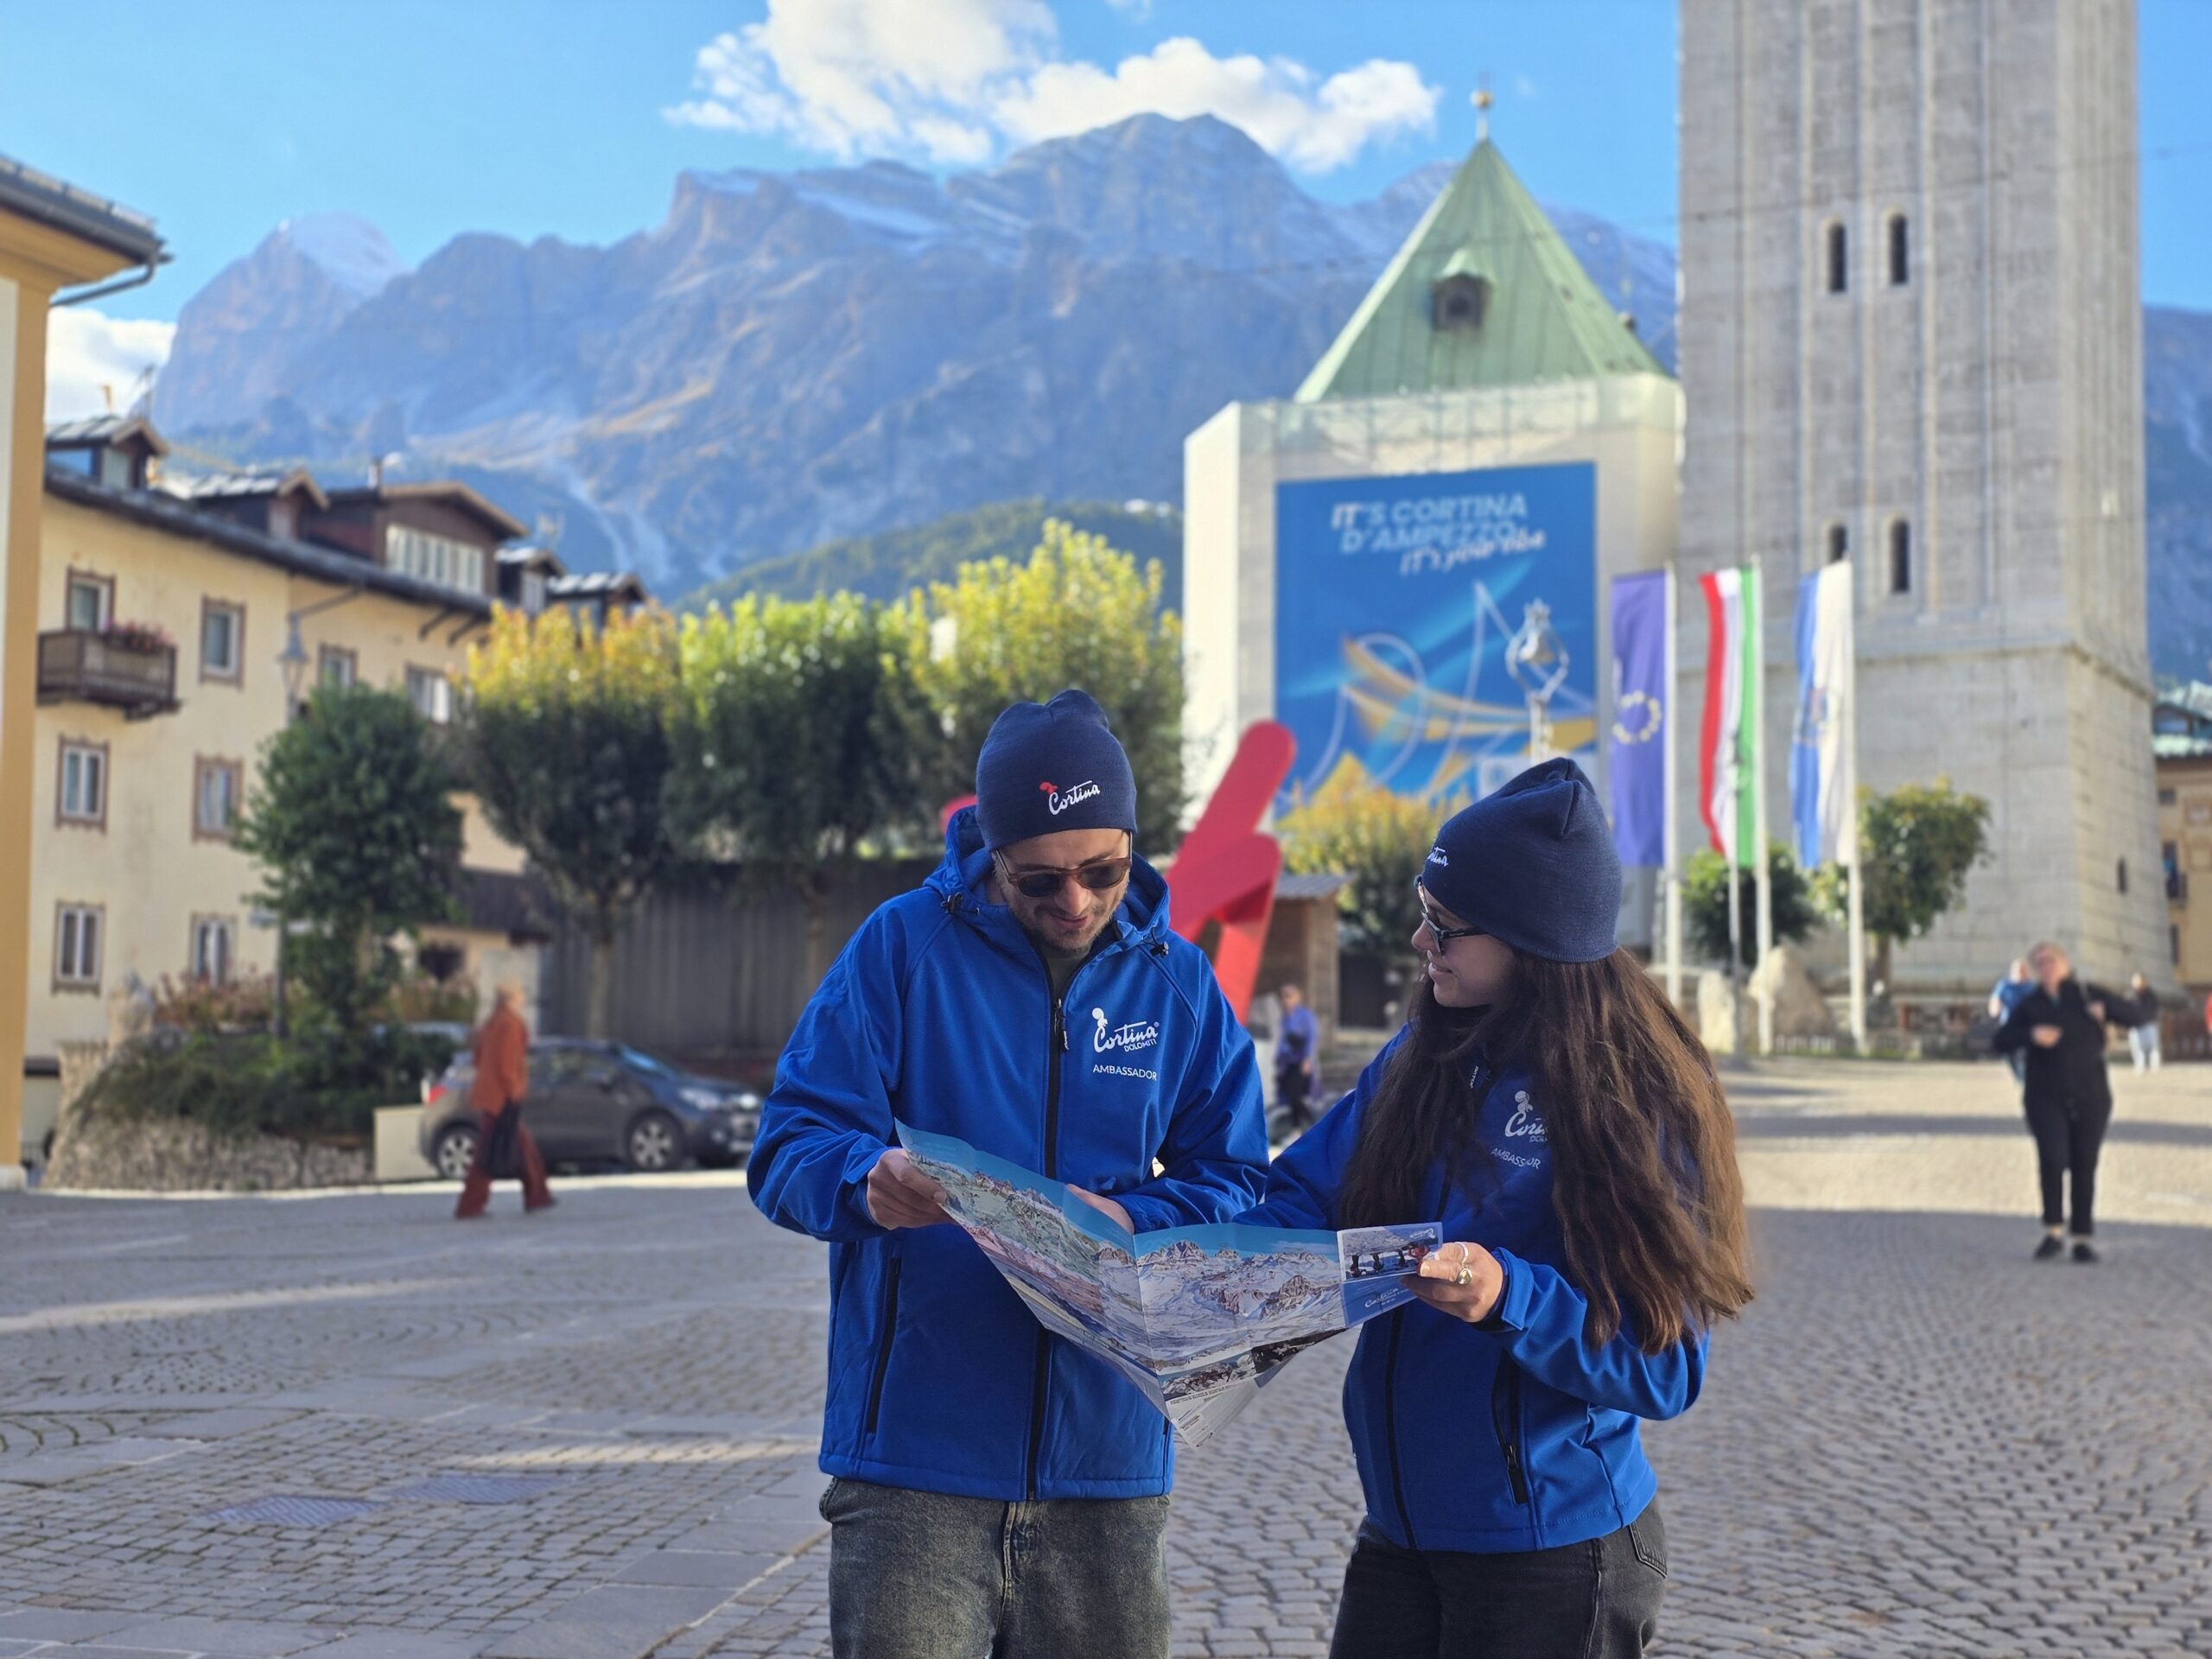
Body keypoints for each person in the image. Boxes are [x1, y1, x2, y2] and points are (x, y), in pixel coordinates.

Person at [747, 688, 1269, 1659]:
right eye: (1038, 880)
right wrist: (866, 1180)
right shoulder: (902, 949)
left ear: (1131, 843)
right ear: (992, 853)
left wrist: (1129, 1215)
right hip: (916, 1466)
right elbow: (787, 1144)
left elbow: (1236, 1177)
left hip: (1107, 1464)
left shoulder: (1178, 983)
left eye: (1102, 870)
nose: (1072, 902)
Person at [1234, 759, 1752, 1659]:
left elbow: (1665, 1367)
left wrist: (1509, 1296)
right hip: (1402, 1535)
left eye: (1445, 925)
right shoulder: (1420, 1056)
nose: (1417, 938)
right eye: (1424, 910)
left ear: (1532, 940)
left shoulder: (1634, 1098)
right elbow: (1301, 1196)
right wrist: (1168, 1250)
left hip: (1553, 1556)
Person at [1993, 942, 2137, 1263]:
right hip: (2044, 1096)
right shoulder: (2030, 1005)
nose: (2047, 967)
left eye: (2052, 960)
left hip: (2091, 1095)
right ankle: (2054, 1230)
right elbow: (1999, 1040)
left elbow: (2138, 1016)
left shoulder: (2087, 995)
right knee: (2053, 1158)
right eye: (2040, 962)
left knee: (2085, 1162)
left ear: (2066, 963)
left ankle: (2082, 1237)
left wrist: (2109, 1012)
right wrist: (2031, 1034)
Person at [454, 982, 554, 1220]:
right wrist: (515, 1092)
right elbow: (508, 1065)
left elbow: (479, 1059)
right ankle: (471, 1205)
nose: (523, 997)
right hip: (502, 1097)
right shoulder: (510, 1024)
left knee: (518, 1146)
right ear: (513, 997)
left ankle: (537, 1195)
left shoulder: (491, 1023)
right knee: (490, 1152)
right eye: (520, 993)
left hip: (490, 1095)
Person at [1274, 982, 1319, 1134]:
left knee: (1297, 1095)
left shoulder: (1305, 1016)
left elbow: (1311, 1038)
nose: (1286, 1000)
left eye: (1289, 996)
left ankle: (1305, 1125)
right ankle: (1298, 1125)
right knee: (1289, 1095)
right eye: (1283, 996)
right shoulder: (1285, 1017)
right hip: (1288, 1061)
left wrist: (1307, 1060)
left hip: (1300, 1060)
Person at [1988, 958, 2035, 1084]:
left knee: (2025, 1053)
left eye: (2023, 970)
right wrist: (1995, 1009)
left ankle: (2024, 1076)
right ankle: (2018, 1075)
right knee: (2009, 1053)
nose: (2021, 973)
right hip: (2008, 1025)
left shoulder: (2032, 987)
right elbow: (1996, 999)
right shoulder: (2004, 985)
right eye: (2018, 970)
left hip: (2026, 1025)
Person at [2126, 972, 2162, 1071]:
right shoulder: (2131, 995)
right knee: (2137, 1047)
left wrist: (2150, 1018)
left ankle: (2154, 1066)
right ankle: (2139, 1065)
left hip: (2148, 1023)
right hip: (2135, 1024)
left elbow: (2154, 1007)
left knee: (2152, 1046)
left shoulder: (2150, 995)